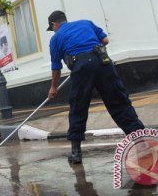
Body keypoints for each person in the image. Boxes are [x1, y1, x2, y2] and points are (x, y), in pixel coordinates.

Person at [46, 10, 145, 164]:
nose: (52, 30)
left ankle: (76, 153)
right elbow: (105, 40)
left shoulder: (56, 38)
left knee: (78, 107)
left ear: (54, 24)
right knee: (119, 102)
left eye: (51, 28)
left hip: (81, 67)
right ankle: (141, 143)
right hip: (103, 62)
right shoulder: (86, 23)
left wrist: (53, 87)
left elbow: (56, 68)